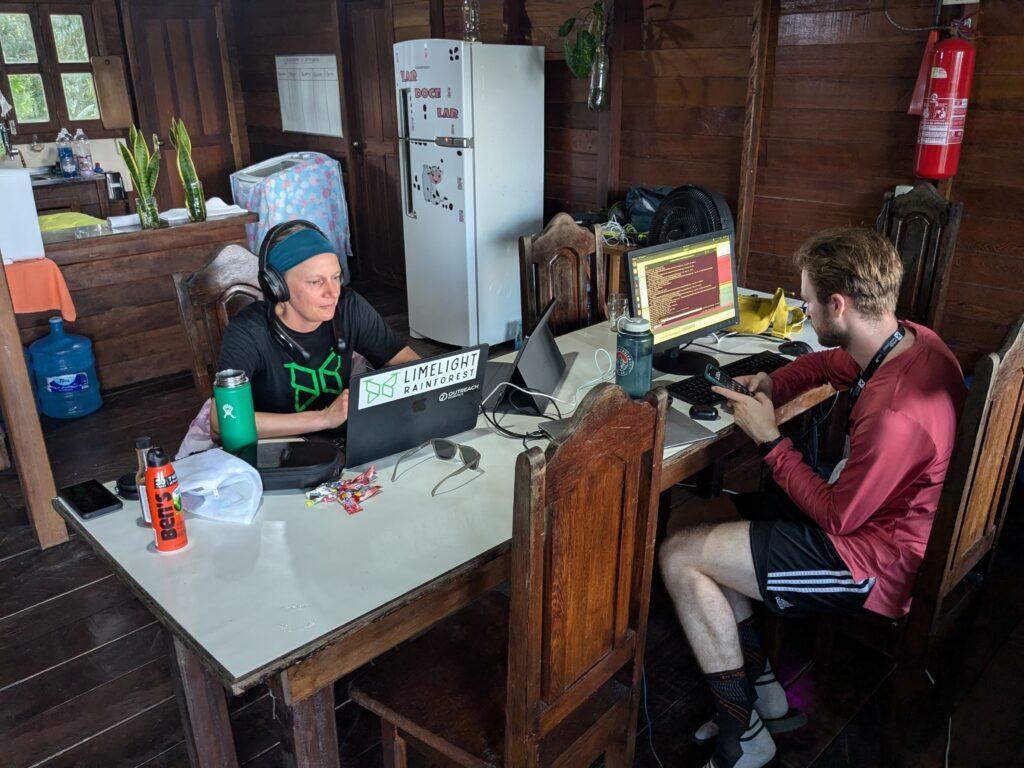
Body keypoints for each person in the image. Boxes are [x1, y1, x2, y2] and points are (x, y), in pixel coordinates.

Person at [658, 228, 966, 768]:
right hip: (867, 525)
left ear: (839, 305)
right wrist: (774, 384)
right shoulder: (909, 342)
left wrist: (770, 441)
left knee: (679, 556)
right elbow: (825, 365)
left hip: (870, 564)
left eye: (806, 299)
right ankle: (768, 695)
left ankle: (743, 738)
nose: (802, 307)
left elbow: (837, 516)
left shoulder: (895, 411)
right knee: (694, 512)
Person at [212, 223, 419, 440]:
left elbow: (410, 365)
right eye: (316, 282)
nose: (333, 292)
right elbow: (220, 420)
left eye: (336, 277)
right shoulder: (248, 330)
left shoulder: (349, 306)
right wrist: (323, 418)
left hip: (341, 443)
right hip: (276, 448)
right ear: (277, 286)